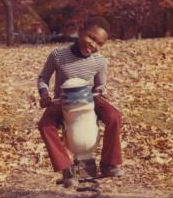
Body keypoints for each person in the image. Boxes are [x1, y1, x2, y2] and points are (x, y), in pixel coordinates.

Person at [37, 16, 123, 187]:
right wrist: (44, 94)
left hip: (90, 97)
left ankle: (108, 163)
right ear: (81, 29)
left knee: (115, 116)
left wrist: (99, 93)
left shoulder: (99, 61)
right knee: (45, 125)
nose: (94, 45)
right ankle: (66, 168)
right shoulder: (58, 55)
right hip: (63, 99)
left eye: (99, 43)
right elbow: (43, 77)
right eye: (91, 38)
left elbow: (100, 86)